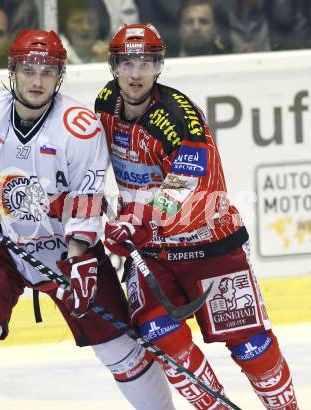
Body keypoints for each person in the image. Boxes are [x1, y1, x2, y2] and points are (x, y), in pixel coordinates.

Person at [0, 28, 175, 409]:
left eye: (48, 71)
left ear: (60, 75)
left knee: (119, 347)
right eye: (29, 70)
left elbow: (87, 203)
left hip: (61, 247)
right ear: (13, 70)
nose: (37, 81)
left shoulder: (80, 128)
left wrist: (79, 257)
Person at [96, 23, 299, 409]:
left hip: (209, 244)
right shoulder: (106, 102)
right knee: (159, 333)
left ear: (159, 65)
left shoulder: (179, 119)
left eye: (146, 62)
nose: (136, 73)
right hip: (152, 252)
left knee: (251, 345)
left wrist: (142, 221)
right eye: (127, 63)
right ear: (114, 66)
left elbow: (189, 184)